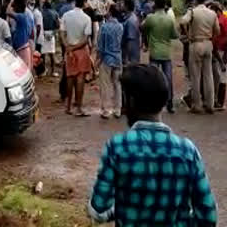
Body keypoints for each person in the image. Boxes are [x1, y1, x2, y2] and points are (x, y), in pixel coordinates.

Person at [88, 64, 218, 226]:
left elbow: (97, 210)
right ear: (163, 101)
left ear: (131, 101)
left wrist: (121, 209)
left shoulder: (118, 148)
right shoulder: (187, 151)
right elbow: (209, 217)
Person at [181, 0, 220, 115]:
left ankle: (196, 105)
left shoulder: (192, 11)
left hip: (195, 43)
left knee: (195, 76)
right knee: (208, 76)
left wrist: (188, 35)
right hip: (208, 44)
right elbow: (217, 31)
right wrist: (210, 37)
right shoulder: (212, 13)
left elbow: (182, 22)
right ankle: (210, 104)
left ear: (195, 0)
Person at [142, 0, 179, 114]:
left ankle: (152, 103)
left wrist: (147, 39)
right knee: (168, 78)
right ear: (165, 6)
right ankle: (170, 103)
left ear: (155, 6)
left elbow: (142, 27)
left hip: (154, 52)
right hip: (166, 53)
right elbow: (174, 35)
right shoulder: (170, 19)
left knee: (153, 78)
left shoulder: (150, 18)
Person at [61, 0, 93, 117]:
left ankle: (68, 106)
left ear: (74, 2)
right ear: (84, 2)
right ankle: (78, 107)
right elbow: (85, 39)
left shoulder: (66, 15)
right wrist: (74, 47)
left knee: (69, 78)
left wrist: (68, 47)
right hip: (81, 51)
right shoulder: (86, 18)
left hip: (69, 50)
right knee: (80, 80)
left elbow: (62, 33)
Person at [97, 5, 123, 119]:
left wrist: (98, 59)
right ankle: (118, 110)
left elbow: (101, 46)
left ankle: (106, 110)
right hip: (117, 58)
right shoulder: (120, 26)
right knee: (117, 85)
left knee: (105, 85)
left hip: (107, 58)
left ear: (110, 13)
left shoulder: (104, 27)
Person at [210, 3, 227, 111]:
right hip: (217, 51)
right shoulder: (218, 20)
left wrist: (225, 56)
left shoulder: (224, 20)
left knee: (222, 78)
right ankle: (217, 101)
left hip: (222, 51)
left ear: (217, 10)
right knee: (217, 77)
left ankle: (220, 102)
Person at [7, 0, 34, 70]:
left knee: (23, 70)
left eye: (14, 6)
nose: (13, 8)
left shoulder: (22, 16)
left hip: (22, 49)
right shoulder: (26, 15)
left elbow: (8, 12)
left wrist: (11, 1)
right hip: (23, 48)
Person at [41, 0, 60, 76]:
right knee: (52, 53)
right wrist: (53, 33)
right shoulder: (55, 13)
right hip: (51, 33)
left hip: (43, 33)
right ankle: (53, 71)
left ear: (44, 6)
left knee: (43, 54)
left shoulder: (41, 13)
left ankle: (43, 71)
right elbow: (58, 25)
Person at [121, 0, 141, 64]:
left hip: (131, 57)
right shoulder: (128, 17)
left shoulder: (131, 21)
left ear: (126, 6)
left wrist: (126, 58)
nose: (121, 5)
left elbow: (130, 41)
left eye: (123, 4)